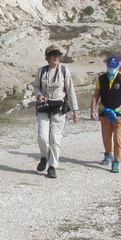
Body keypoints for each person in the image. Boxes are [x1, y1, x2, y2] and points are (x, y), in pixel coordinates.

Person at [89, 55, 121, 175]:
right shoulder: (101, 79)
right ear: (107, 66)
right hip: (105, 112)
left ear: (117, 67)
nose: (111, 68)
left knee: (118, 137)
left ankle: (116, 161)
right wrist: (92, 110)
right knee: (106, 135)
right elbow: (96, 95)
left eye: (113, 66)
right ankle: (108, 154)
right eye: (109, 66)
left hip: (119, 113)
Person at [33, 46, 79, 179]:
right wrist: (39, 94)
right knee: (42, 136)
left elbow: (70, 91)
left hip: (59, 107)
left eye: (58, 55)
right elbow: (36, 86)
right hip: (44, 106)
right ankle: (44, 156)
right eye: (53, 55)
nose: (56, 57)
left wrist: (75, 110)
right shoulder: (41, 71)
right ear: (47, 57)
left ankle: (53, 166)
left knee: (55, 138)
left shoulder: (64, 71)